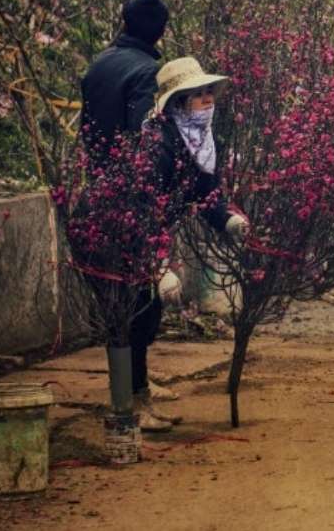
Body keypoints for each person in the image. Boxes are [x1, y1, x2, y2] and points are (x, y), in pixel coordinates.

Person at [75, 57, 249, 432]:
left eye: (208, 92)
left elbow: (205, 193)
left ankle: (136, 397)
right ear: (177, 102)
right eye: (196, 94)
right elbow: (139, 204)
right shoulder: (157, 143)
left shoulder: (197, 140)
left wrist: (227, 219)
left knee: (146, 314)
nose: (207, 99)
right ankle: (130, 406)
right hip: (107, 229)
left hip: (137, 229)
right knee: (131, 315)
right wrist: (157, 265)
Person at [81, 0, 168, 167]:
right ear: (161, 32)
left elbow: (86, 125)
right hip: (126, 179)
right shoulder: (148, 72)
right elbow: (143, 135)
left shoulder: (100, 62)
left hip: (97, 171)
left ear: (125, 22)